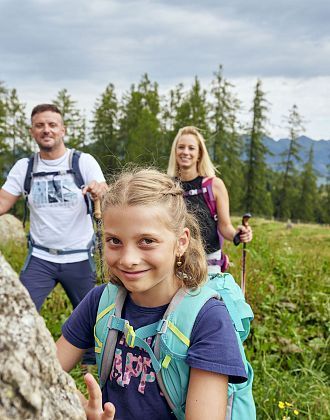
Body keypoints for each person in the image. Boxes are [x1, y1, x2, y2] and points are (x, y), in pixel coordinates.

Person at [56, 168, 248, 419]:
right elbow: (42, 371)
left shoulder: (208, 319)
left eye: (147, 241)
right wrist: (81, 409)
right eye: (114, 241)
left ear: (181, 242)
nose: (128, 259)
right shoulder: (100, 301)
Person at [0, 104, 107, 365]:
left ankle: (90, 372)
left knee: (95, 321)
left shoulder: (82, 162)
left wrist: (98, 190)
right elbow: (4, 200)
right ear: (32, 131)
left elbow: (105, 189)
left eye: (52, 125)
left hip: (79, 257)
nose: (46, 130)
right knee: (19, 315)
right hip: (40, 259)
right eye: (40, 125)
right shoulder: (25, 167)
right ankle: (21, 363)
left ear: (63, 130)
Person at [167, 126, 252, 274]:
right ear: (175, 152)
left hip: (210, 263)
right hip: (177, 261)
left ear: (199, 154)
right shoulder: (167, 186)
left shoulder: (214, 185)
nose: (185, 152)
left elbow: (225, 227)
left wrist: (238, 235)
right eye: (181, 147)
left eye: (191, 148)